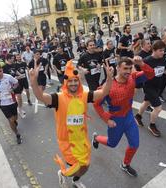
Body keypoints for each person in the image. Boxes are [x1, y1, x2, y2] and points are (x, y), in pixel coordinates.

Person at [29, 60, 113, 188]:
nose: (73, 83)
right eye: (70, 81)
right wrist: (34, 81)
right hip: (67, 143)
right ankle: (63, 174)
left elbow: (103, 92)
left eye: (75, 80)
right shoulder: (58, 98)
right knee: (76, 166)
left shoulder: (84, 95)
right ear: (65, 83)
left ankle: (75, 180)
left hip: (82, 140)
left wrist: (109, 78)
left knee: (85, 166)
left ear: (79, 82)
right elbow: (41, 97)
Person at [92, 56, 154, 177]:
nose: (128, 71)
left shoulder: (132, 78)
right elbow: (96, 104)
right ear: (118, 68)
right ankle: (96, 138)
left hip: (129, 117)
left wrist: (141, 63)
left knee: (134, 144)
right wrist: (107, 119)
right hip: (116, 120)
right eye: (125, 68)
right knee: (112, 143)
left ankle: (125, 165)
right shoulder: (108, 86)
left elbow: (150, 74)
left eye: (130, 68)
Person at [135, 40, 166, 137]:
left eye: (163, 50)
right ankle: (152, 125)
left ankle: (137, 116)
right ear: (154, 50)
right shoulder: (147, 60)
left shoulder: (162, 58)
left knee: (146, 102)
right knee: (158, 108)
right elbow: (135, 70)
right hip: (148, 86)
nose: (163, 52)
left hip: (158, 86)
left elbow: (164, 68)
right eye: (160, 50)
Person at [0, 64, 22, 144]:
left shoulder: (8, 77)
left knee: (15, 118)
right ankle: (17, 134)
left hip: (12, 101)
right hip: (3, 104)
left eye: (0, 71)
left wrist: (13, 89)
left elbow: (16, 83)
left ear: (2, 70)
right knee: (10, 120)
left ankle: (14, 122)